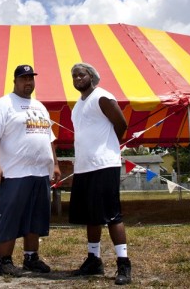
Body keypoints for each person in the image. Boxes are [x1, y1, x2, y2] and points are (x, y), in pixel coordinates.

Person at [0, 64, 61, 277]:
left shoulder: (40, 106)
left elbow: (50, 137)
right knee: (11, 216)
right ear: (15, 81)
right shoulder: (4, 104)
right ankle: (3, 260)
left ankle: (31, 257)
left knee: (36, 216)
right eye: (24, 78)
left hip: (40, 172)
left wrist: (54, 163)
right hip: (15, 172)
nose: (28, 82)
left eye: (31, 78)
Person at [69, 62, 132, 285]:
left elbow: (121, 124)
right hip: (84, 166)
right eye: (74, 75)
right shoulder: (77, 105)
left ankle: (123, 263)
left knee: (112, 214)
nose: (77, 78)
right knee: (90, 215)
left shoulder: (102, 96)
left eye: (81, 74)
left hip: (104, 164)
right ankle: (93, 260)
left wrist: (109, 146)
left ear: (92, 77)